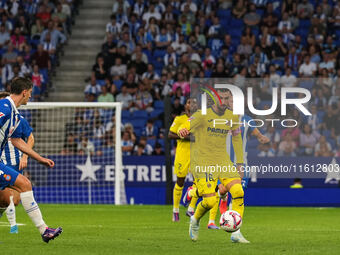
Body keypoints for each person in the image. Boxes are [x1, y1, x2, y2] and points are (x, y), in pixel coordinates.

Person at [0, 77, 62, 242]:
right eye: (30, 94)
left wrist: (39, 158)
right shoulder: (4, 107)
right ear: (24, 92)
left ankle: (45, 231)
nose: (30, 97)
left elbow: (17, 141)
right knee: (24, 185)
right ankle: (44, 231)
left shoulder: (14, 114)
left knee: (9, 197)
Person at [178, 89, 245, 242]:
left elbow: (237, 139)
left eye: (226, 98)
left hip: (222, 160)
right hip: (203, 161)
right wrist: (183, 130)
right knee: (210, 202)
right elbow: (188, 124)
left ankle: (236, 232)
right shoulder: (202, 114)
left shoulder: (232, 116)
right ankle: (194, 220)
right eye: (220, 98)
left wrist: (240, 163)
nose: (223, 101)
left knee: (238, 191)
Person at [0, 91, 34, 234]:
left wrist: (25, 156)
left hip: (15, 164)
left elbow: (30, 138)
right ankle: (15, 227)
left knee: (14, 201)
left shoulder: (18, 119)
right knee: (10, 198)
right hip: (2, 164)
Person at [168, 98, 198, 222]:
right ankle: (175, 211)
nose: (192, 104)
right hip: (182, 154)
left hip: (197, 154)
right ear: (186, 105)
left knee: (199, 182)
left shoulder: (200, 119)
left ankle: (191, 208)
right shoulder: (179, 119)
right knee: (180, 181)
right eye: (189, 102)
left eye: (194, 102)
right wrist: (185, 137)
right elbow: (170, 134)